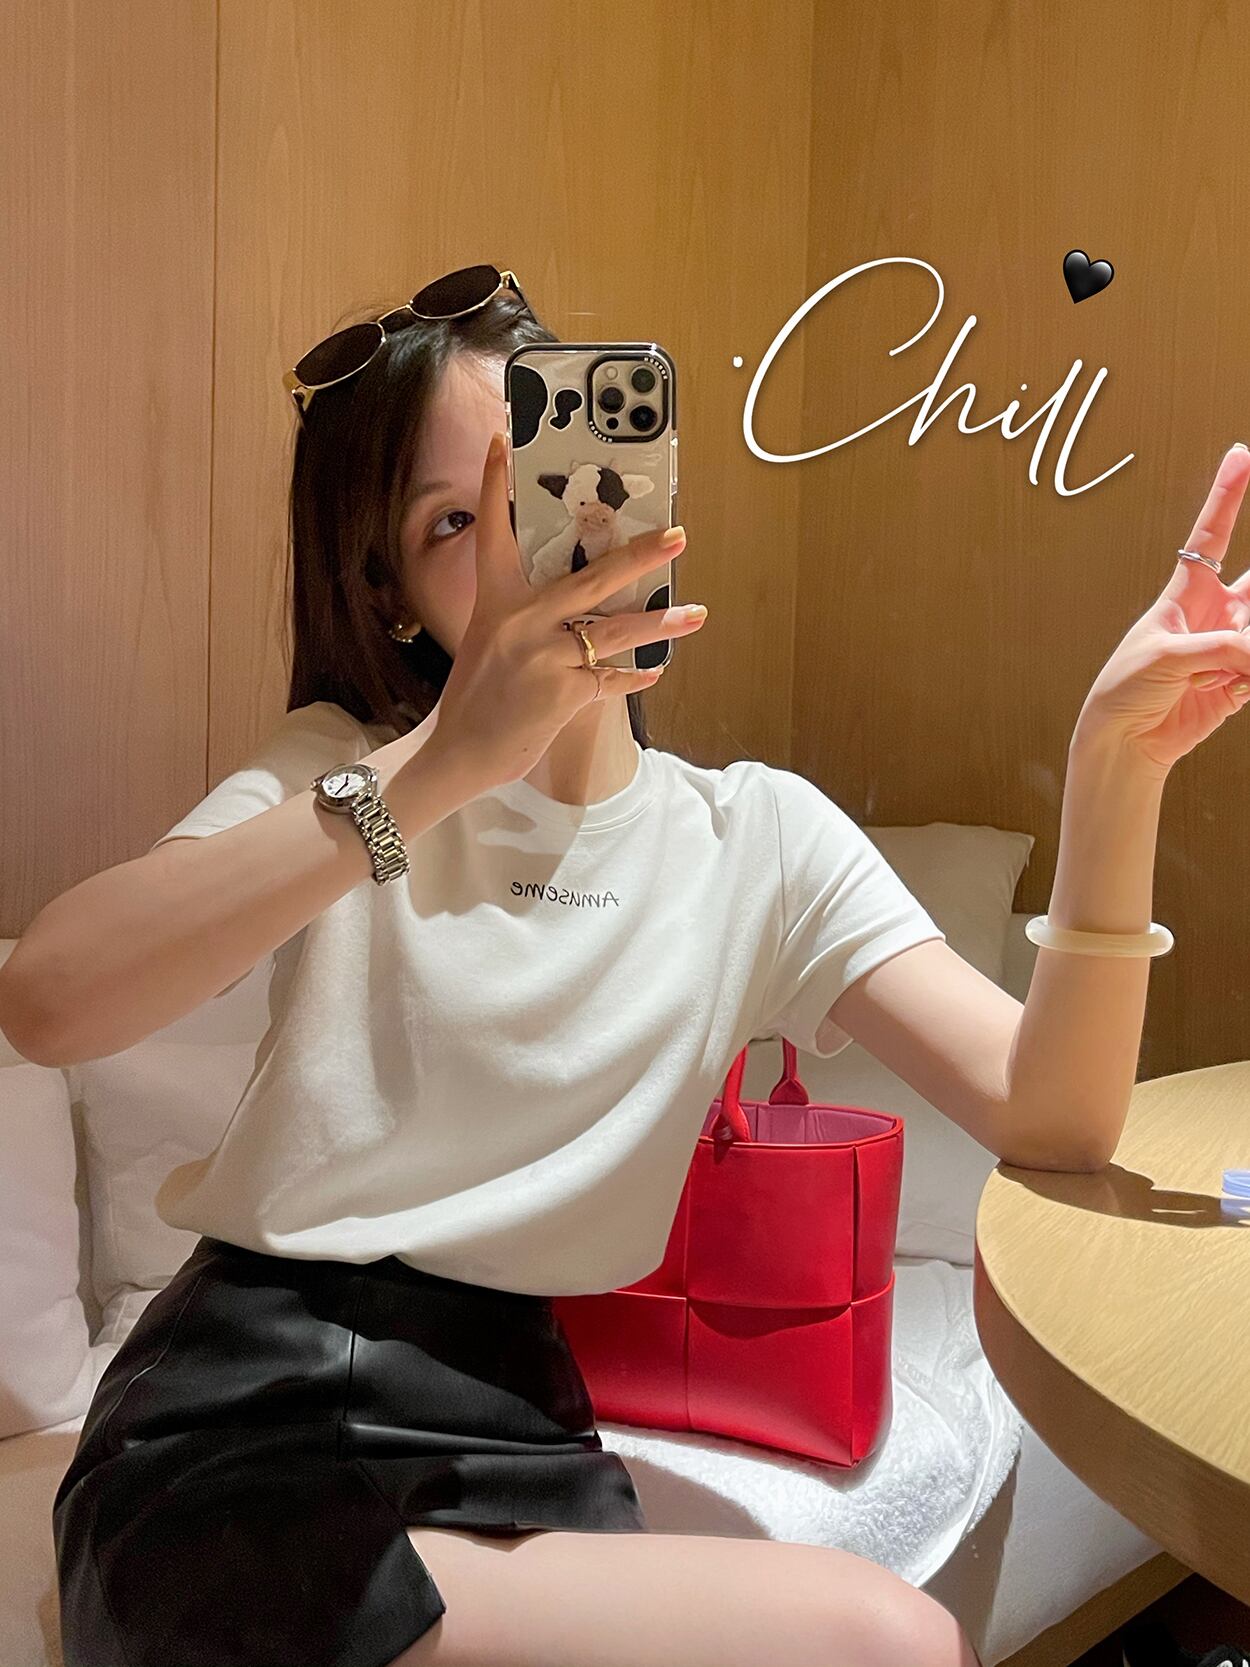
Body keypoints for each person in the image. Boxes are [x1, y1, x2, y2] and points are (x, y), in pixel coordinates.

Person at [6, 267, 981, 1667]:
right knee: (884, 1643)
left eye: (541, 488)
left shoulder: (749, 835)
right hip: (249, 1422)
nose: (526, 550)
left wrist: (1115, 772)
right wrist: (438, 769)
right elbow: (50, 998)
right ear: (397, 598)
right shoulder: (350, 773)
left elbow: (1051, 1109)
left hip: (521, 1425)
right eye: (454, 522)